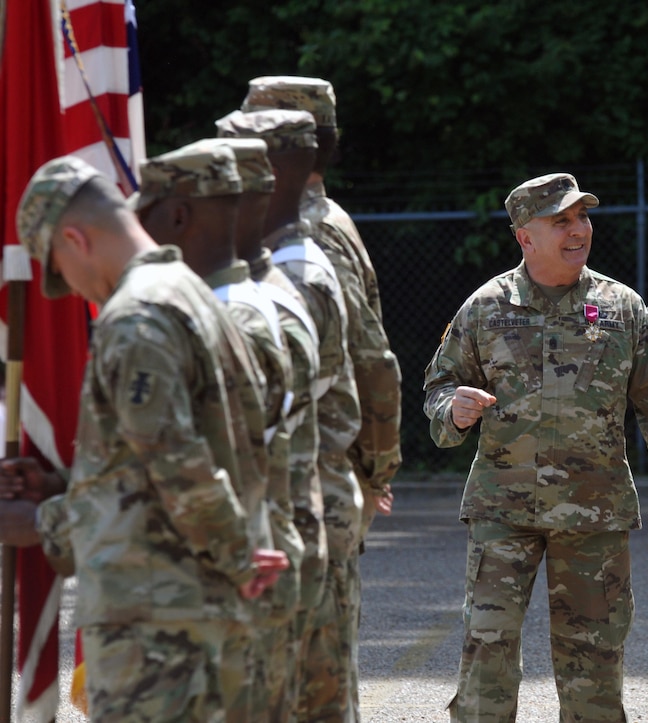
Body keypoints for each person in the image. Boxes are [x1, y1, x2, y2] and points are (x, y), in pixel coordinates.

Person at [0, 155, 288, 721]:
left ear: (74, 239)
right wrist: (64, 482)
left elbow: (180, 466)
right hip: (197, 613)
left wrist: (40, 523)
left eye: (60, 266)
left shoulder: (134, 318)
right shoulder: (193, 294)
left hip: (158, 628)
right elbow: (191, 447)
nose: (72, 285)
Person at [423, 172, 648, 722]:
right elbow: (439, 388)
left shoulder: (622, 308)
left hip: (593, 514)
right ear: (525, 237)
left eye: (582, 216)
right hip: (502, 512)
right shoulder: (486, 308)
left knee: (594, 666)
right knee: (488, 655)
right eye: (562, 221)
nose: (579, 230)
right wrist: (451, 412)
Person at [132, 139, 306, 720]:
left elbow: (196, 466)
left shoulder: (232, 315)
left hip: (233, 563)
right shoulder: (251, 298)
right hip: (258, 547)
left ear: (179, 216)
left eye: (145, 213)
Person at [216, 108, 365, 721]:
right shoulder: (297, 254)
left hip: (298, 499)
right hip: (311, 496)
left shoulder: (294, 267)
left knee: (306, 686)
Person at [242, 75, 402, 543]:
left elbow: (371, 360)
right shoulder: (327, 216)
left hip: (312, 481)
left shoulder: (310, 231)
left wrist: (374, 471)